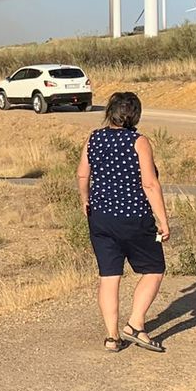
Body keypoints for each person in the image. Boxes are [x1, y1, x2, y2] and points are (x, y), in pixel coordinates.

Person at [76, 90, 171, 353]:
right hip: (134, 218)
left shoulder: (94, 138)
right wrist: (163, 220)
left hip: (101, 218)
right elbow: (150, 184)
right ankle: (135, 325)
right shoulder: (138, 142)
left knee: (109, 276)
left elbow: (83, 175)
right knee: (153, 269)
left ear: (110, 112)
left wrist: (85, 200)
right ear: (135, 115)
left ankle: (111, 336)